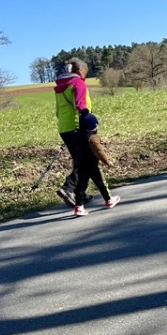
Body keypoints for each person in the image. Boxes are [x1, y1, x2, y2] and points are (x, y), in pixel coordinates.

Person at [54, 57, 92, 209]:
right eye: (85, 72)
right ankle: (68, 188)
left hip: (64, 127)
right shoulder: (78, 83)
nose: (85, 76)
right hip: (77, 125)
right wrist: (88, 120)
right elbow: (80, 105)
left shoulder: (60, 86)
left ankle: (79, 194)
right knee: (86, 161)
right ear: (80, 70)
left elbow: (58, 110)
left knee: (79, 160)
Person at [69, 113, 121, 217]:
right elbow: (99, 151)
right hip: (92, 164)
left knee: (81, 185)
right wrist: (107, 161)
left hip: (80, 164)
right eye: (96, 125)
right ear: (92, 126)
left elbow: (76, 151)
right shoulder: (92, 138)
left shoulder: (77, 135)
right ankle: (109, 200)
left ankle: (79, 206)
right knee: (101, 182)